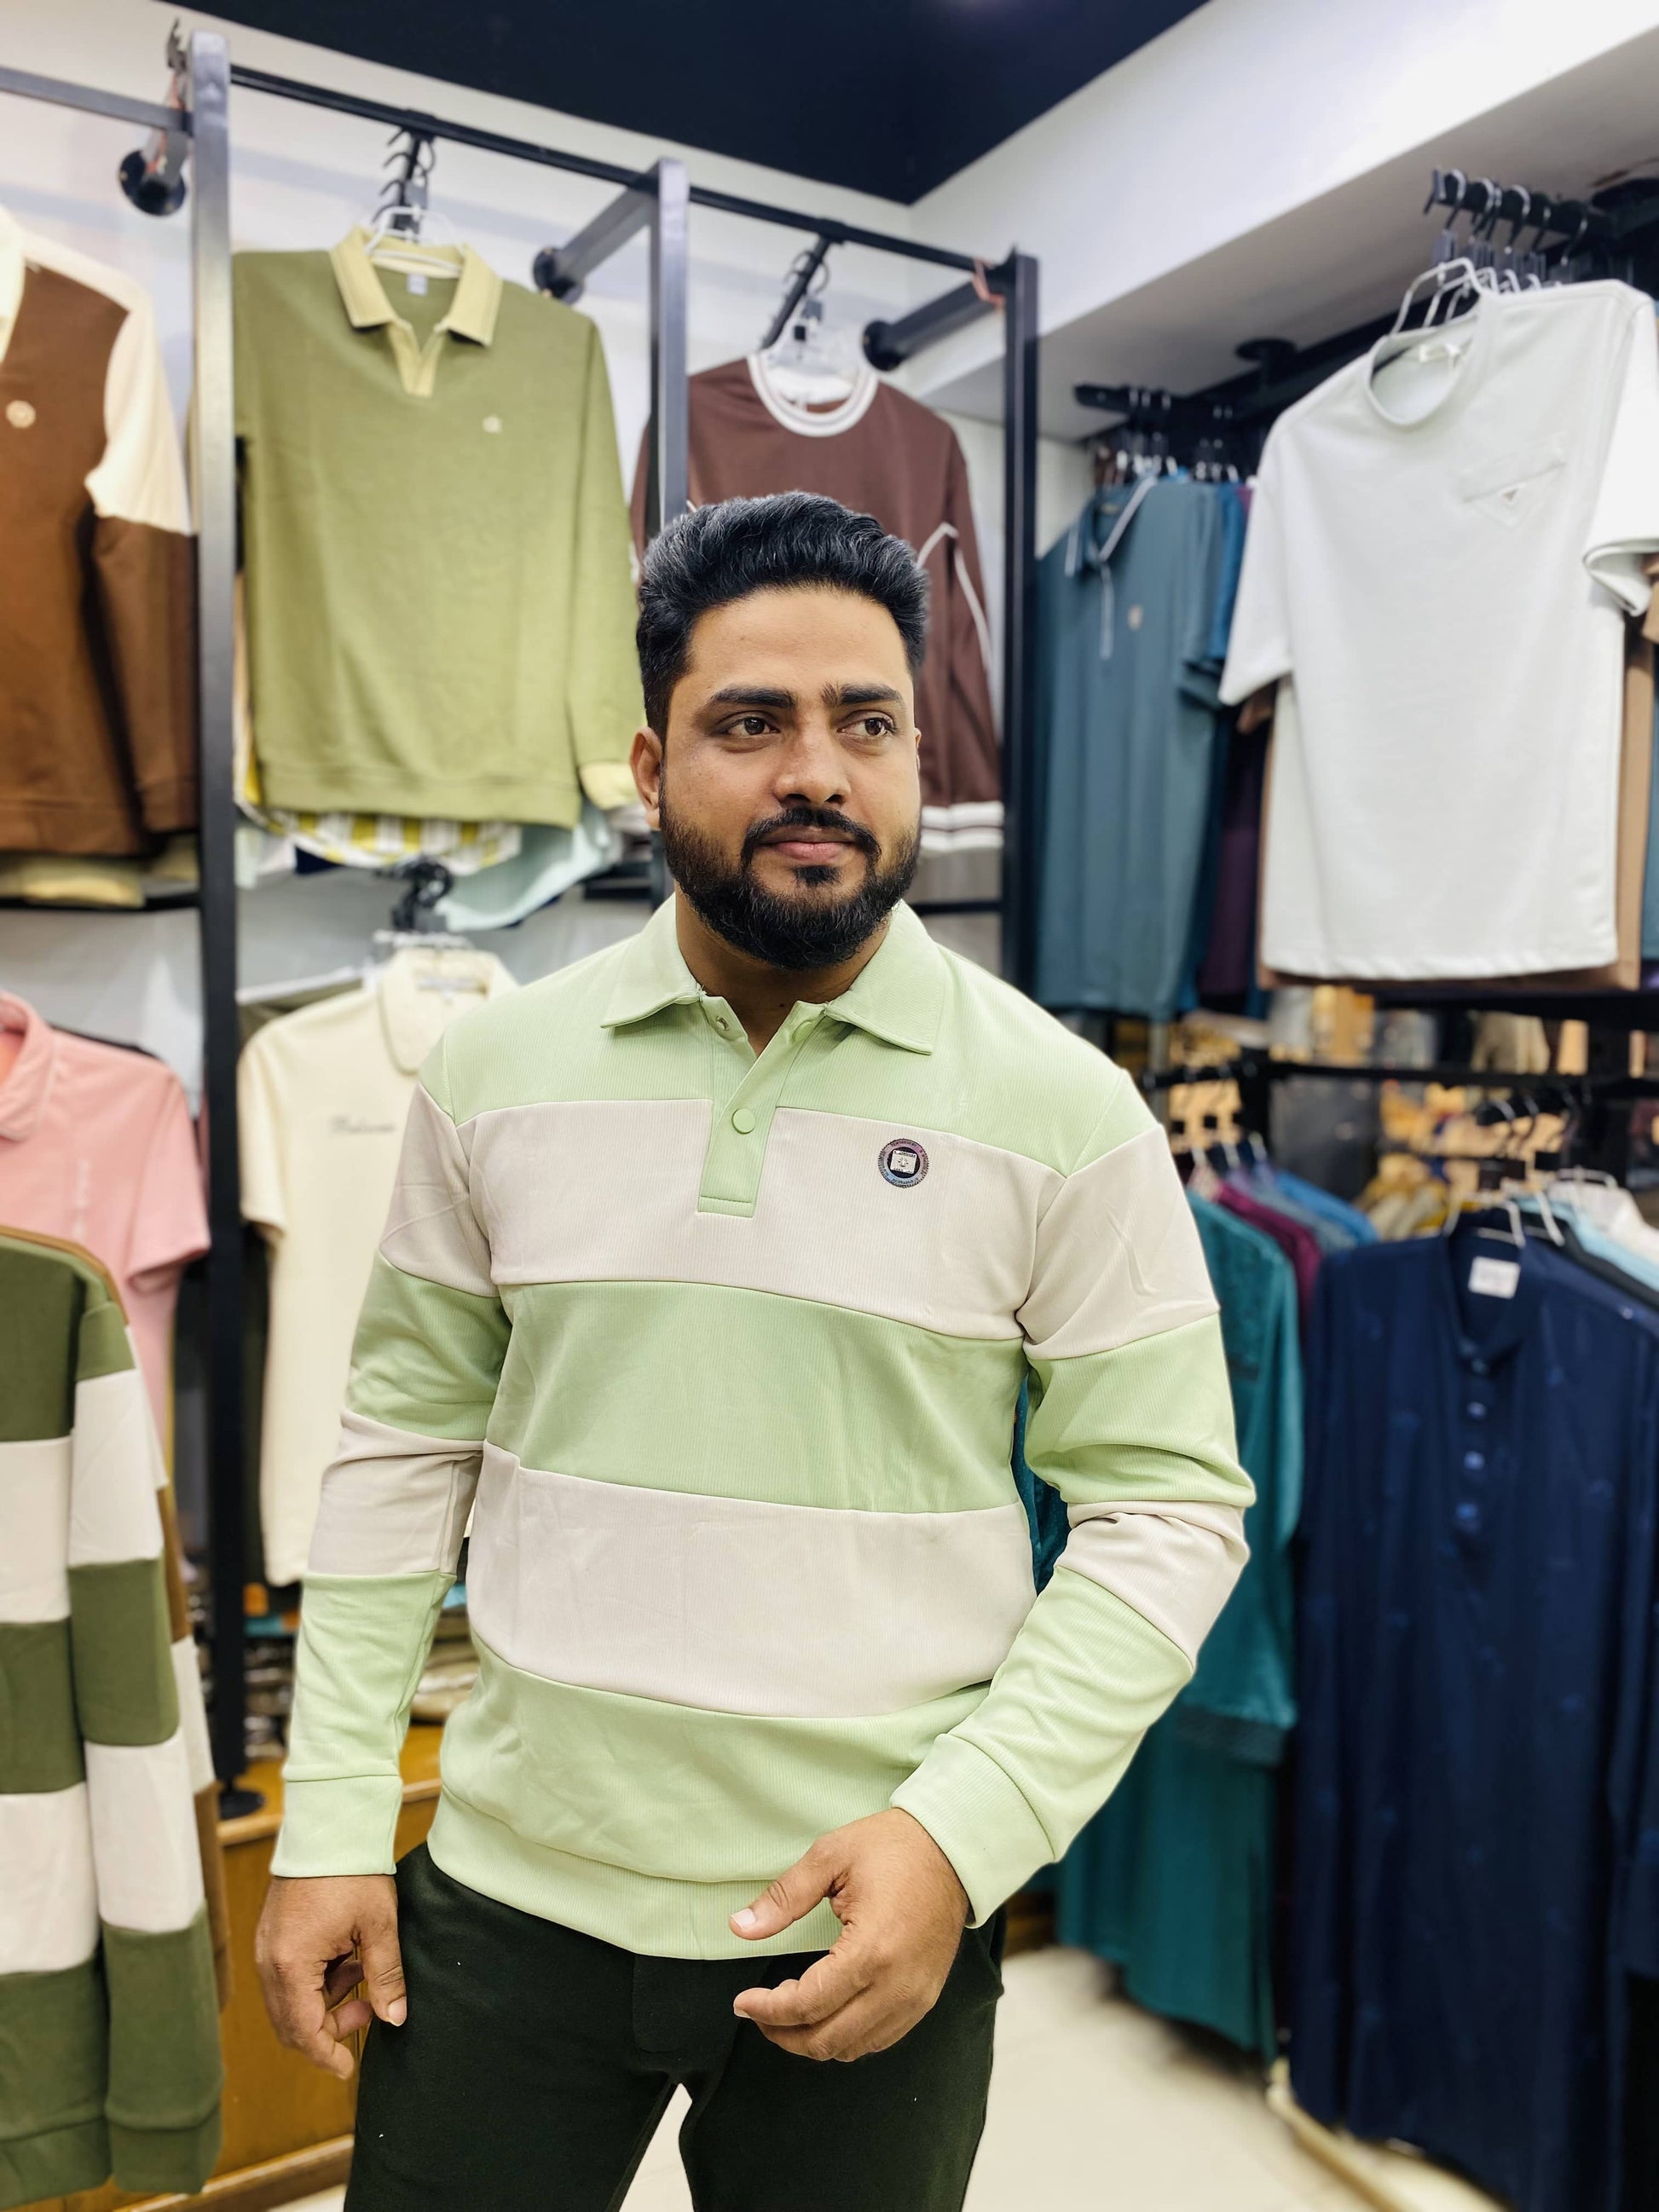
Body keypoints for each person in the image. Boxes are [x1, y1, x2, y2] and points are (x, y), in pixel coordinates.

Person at [256, 491, 1251, 2211]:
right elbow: (401, 1448)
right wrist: (334, 1809)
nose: (816, 771)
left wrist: (961, 1834)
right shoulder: (494, 1073)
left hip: (872, 1904)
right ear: (650, 767)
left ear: (917, 756)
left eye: (867, 723)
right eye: (750, 723)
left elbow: (1167, 1508)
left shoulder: (1065, 1110)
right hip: (506, 1896)